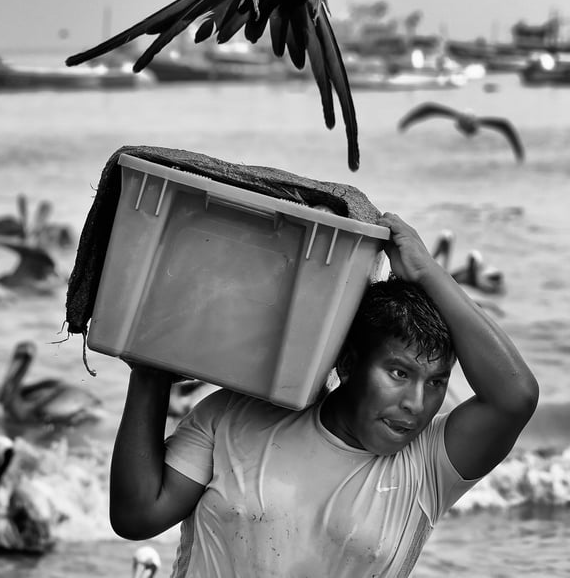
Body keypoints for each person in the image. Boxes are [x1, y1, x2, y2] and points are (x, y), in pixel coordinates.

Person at [109, 213, 538, 577]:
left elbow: (514, 396)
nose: (416, 402)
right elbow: (138, 515)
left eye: (437, 382)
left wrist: (428, 272)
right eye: (398, 372)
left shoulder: (426, 466)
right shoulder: (235, 416)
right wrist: (149, 374)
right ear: (349, 364)